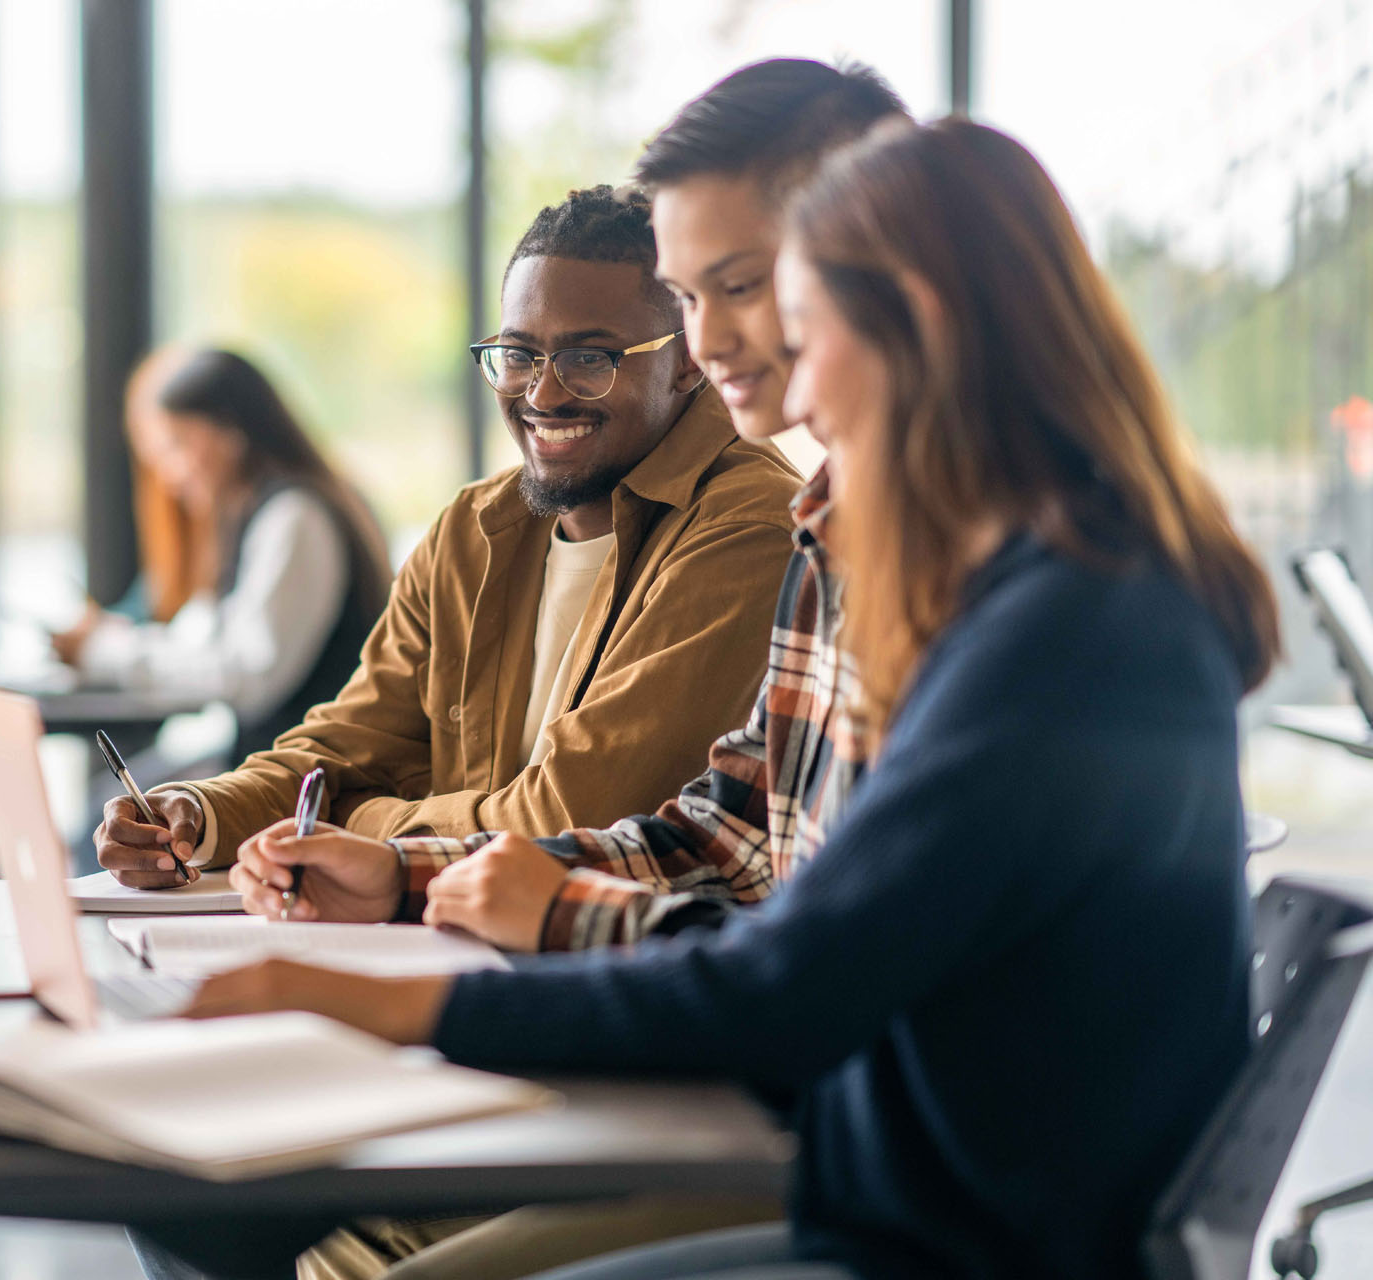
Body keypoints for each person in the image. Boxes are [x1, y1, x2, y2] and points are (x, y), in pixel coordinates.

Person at [183, 117, 1281, 1280]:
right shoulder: (997, 583)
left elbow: (793, 988)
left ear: (921, 327)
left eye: (794, 327)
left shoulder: (1069, 628)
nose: (763, 368)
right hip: (880, 1172)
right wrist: (419, 878)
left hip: (953, 1233)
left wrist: (414, 1006)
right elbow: (747, 855)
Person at [234, 60, 909, 966]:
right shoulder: (836, 531)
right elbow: (723, 845)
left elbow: (828, 964)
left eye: (743, 286)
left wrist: (392, 861)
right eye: (695, 297)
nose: (711, 340)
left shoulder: (823, 536)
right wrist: (404, 874)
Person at [94, 187, 804, 891]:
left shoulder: (748, 530)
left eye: (590, 358)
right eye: (519, 354)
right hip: (451, 937)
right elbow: (341, 749)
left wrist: (353, 826)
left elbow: (567, 821)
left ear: (686, 359)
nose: (543, 394)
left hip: (618, 969)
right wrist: (199, 812)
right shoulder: (476, 530)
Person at [49, 346, 393, 765]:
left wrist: (109, 651)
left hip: (307, 780)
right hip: (278, 767)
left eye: (178, 445)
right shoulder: (249, 517)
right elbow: (206, 639)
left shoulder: (295, 517)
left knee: (111, 817)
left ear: (230, 434)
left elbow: (250, 675)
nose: (169, 474)